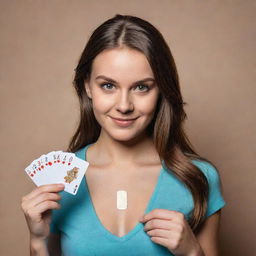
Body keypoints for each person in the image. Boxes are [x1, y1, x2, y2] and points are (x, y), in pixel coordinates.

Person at [21, 14, 226, 256]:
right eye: (108, 85)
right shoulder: (60, 181)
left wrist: (192, 251)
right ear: (87, 86)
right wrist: (37, 241)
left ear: (161, 90)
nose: (124, 105)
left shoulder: (199, 178)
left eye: (141, 87)